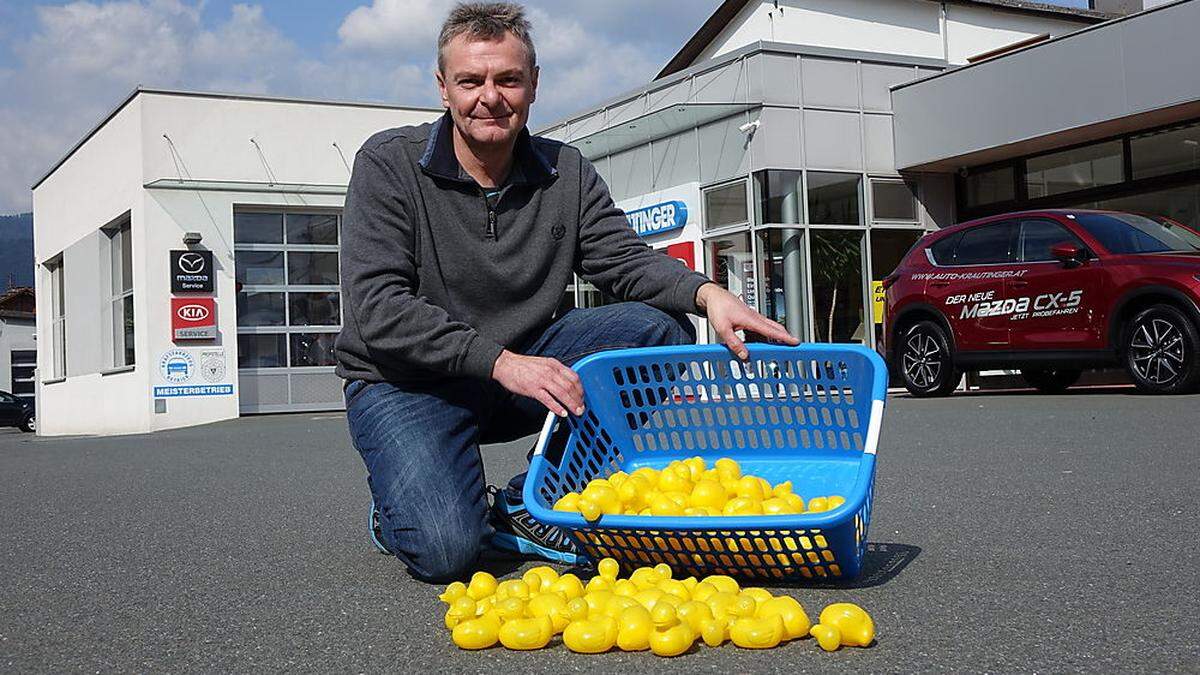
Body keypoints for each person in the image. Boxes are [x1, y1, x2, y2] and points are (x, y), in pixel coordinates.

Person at [334, 1, 796, 583]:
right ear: (443, 88)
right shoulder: (388, 163)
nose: (490, 97)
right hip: (407, 384)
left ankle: (535, 498)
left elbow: (623, 260)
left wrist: (709, 296)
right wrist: (500, 362)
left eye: (508, 79)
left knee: (654, 329)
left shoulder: (566, 170)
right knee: (448, 552)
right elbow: (379, 310)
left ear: (533, 84)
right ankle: (401, 509)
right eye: (470, 80)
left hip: (518, 370)